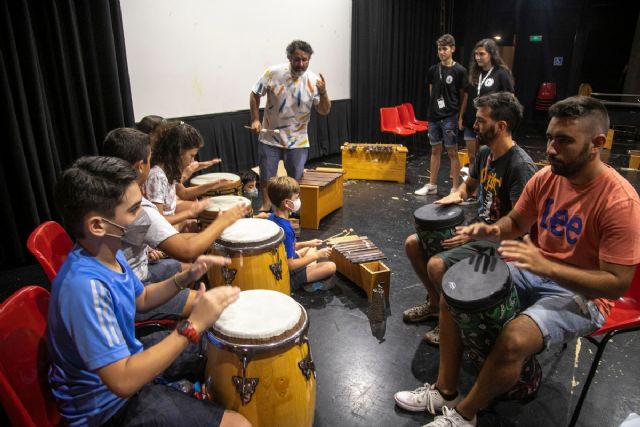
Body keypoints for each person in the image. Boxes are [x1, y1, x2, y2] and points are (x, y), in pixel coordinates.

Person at [395, 96, 640, 427]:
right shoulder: (546, 178)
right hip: (535, 270)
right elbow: (516, 224)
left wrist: (545, 266)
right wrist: (491, 229)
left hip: (586, 296)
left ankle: (465, 415)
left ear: (597, 144)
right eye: (551, 137)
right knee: (454, 287)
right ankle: (445, 391)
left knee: (514, 339)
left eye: (564, 140)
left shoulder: (620, 202)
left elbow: (617, 284)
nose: (551, 148)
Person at [48, 156, 250, 427]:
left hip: (129, 361)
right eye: (133, 210)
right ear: (98, 225)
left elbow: (141, 299)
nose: (142, 215)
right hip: (109, 409)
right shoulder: (85, 289)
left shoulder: (108, 252)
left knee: (222, 347)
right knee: (240, 425)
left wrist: (184, 277)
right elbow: (122, 381)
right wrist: (192, 325)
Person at [402, 92, 536, 346]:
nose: (475, 125)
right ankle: (435, 304)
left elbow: (521, 224)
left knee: (436, 265)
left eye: (481, 120)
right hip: (479, 232)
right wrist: (456, 195)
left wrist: (476, 234)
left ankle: (451, 322)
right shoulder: (486, 154)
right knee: (413, 244)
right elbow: (468, 188)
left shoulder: (520, 166)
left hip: (503, 243)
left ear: (501, 126)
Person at [103, 128, 246, 320]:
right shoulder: (136, 208)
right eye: (149, 158)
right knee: (219, 303)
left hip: (133, 277)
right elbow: (186, 250)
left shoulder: (106, 194)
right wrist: (224, 220)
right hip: (133, 292)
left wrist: (207, 235)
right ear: (139, 166)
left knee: (195, 269)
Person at [249, 40, 331, 212]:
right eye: (296, 59)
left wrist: (323, 92)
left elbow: (324, 110)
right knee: (267, 177)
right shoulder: (273, 73)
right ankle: (266, 206)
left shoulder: (314, 81)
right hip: (270, 136)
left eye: (305, 60)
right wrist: (255, 120)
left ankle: (290, 209)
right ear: (289, 58)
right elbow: (255, 93)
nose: (301, 64)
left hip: (298, 140)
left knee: (295, 180)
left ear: (309, 59)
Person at [143, 121, 228, 229]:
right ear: (177, 152)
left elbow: (183, 193)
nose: (193, 160)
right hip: (163, 233)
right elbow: (158, 222)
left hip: (170, 224)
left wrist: (213, 185)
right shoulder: (157, 177)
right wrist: (190, 213)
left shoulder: (168, 170)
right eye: (191, 155)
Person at [415, 34, 468, 196]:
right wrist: (433, 111)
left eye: (445, 49)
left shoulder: (460, 70)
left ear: (452, 49)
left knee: (452, 151)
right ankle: (432, 185)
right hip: (433, 117)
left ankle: (455, 189)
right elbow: (433, 93)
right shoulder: (433, 70)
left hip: (450, 117)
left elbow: (463, 95)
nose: (442, 52)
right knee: (435, 150)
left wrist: (460, 117)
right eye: (439, 49)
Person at [267, 176, 336, 292]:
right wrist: (317, 255)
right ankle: (304, 279)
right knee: (331, 266)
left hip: (280, 262)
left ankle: (308, 269)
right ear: (287, 203)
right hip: (287, 275)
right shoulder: (286, 230)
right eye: (296, 197)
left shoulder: (272, 217)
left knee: (312, 247)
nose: (298, 200)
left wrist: (307, 243)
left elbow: (287, 247)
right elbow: (290, 265)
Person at [459, 38, 514, 184]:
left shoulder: (501, 73)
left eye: (482, 54)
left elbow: (510, 98)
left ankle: (485, 189)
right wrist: (461, 117)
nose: (478, 57)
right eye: (476, 54)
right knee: (472, 157)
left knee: (487, 158)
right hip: (471, 121)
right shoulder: (474, 74)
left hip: (489, 123)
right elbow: (466, 96)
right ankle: (472, 190)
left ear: (491, 54)